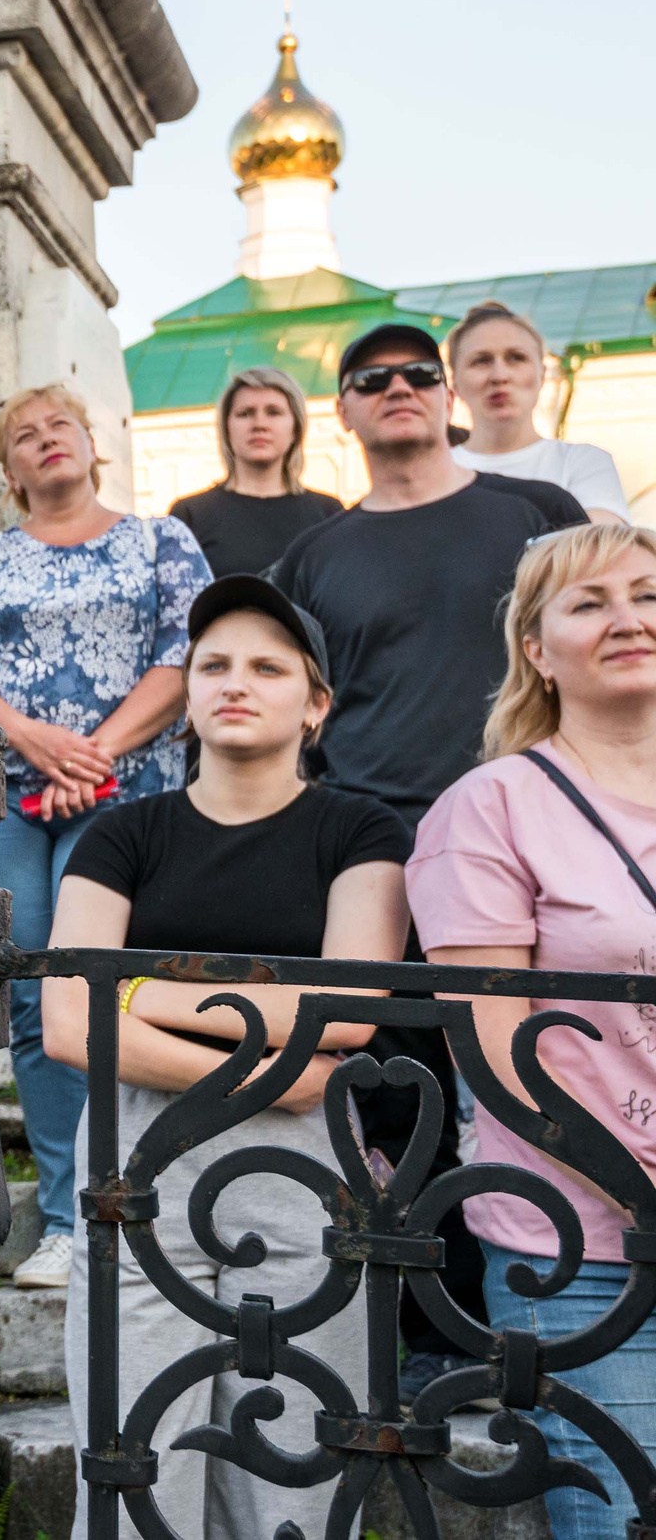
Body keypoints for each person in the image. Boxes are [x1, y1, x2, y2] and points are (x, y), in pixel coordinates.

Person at [43, 575, 407, 1538]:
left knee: (295, 1470)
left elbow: (353, 1007)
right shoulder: (121, 834)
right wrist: (270, 1072)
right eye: (213, 664)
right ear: (189, 692)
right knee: (134, 1468)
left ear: (316, 703)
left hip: (301, 1176)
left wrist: (137, 991)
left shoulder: (360, 830)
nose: (234, 682)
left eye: (267, 666)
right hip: (138, 1165)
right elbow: (69, 1026)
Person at [273, 319, 591, 1395]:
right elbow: (292, 709)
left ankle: (559, 1331)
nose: (398, 388)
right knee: (405, 1103)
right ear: (348, 412)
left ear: (446, 392)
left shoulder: (532, 513)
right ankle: (437, 1341)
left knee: (544, 1075)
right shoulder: (315, 553)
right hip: (381, 861)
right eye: (372, 379)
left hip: (538, 838)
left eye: (417, 373)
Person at [409, 521, 656, 1540]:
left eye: (645, 594)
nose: (628, 619)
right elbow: (493, 1047)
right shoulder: (491, 807)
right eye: (588, 603)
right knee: (619, 1515)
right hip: (581, 1245)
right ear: (535, 648)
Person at [0, 382, 209, 1290]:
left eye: (61, 426)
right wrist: (32, 739)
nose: (45, 440)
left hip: (127, 793)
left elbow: (185, 655)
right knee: (32, 994)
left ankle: (139, 1193)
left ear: (93, 444)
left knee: (128, 989)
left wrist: (92, 754)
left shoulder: (160, 538)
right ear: (9, 471)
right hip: (13, 795)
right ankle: (64, 1216)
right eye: (24, 435)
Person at [448, 301, 628, 525]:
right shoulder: (434, 472)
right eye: (481, 361)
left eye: (516, 357)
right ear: (454, 382)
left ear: (542, 374)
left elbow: (603, 543)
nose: (499, 375)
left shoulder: (582, 462)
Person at [165, 367, 342, 577]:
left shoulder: (329, 514)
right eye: (245, 413)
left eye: (273, 412)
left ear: (295, 427)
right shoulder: (189, 515)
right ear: (226, 428)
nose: (259, 424)